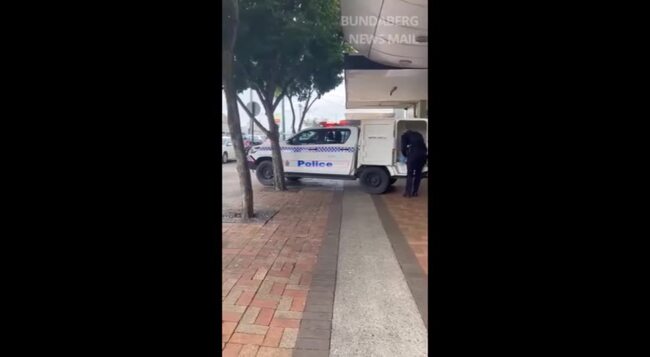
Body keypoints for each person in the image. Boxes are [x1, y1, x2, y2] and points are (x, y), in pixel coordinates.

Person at [400, 130, 428, 197]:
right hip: (422, 156)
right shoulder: (419, 134)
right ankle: (415, 192)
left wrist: (405, 155)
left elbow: (403, 147)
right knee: (418, 174)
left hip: (412, 156)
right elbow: (425, 148)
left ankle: (408, 193)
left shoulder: (404, 136)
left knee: (410, 174)